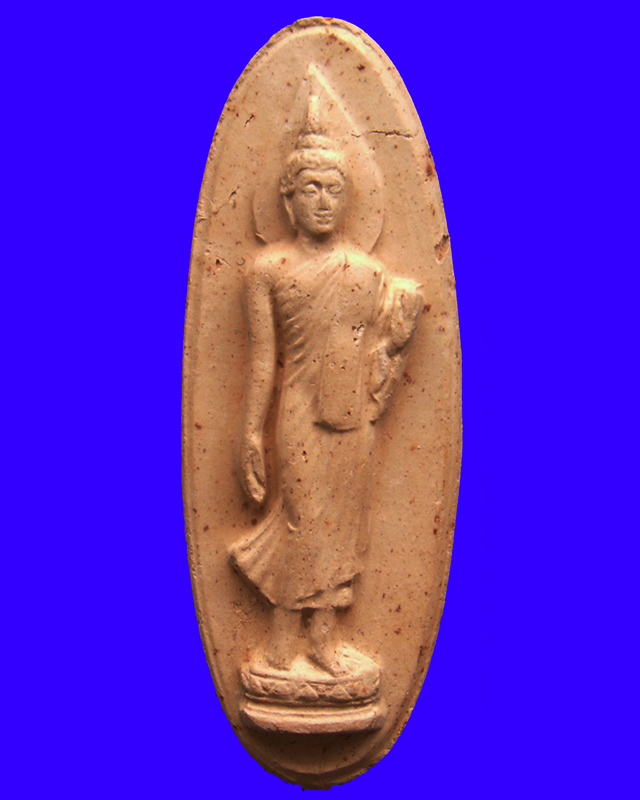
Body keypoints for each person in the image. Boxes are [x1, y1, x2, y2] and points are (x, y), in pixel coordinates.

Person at [229, 111, 423, 676]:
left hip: (351, 416)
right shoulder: (267, 270)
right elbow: (262, 360)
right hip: (299, 412)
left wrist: (397, 333)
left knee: (344, 527)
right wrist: (250, 432)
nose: (322, 200)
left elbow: (380, 353)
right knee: (303, 521)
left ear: (349, 198)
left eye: (334, 189)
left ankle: (322, 640)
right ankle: (279, 642)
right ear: (287, 200)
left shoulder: (367, 272)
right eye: (310, 188)